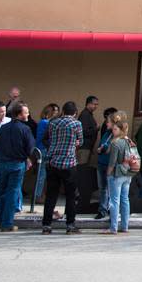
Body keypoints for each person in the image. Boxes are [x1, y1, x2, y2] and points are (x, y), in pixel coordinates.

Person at [41, 101, 83, 234]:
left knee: (51, 195)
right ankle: (70, 225)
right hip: (69, 162)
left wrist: (53, 146)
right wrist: (74, 142)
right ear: (75, 113)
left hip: (53, 161)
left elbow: (45, 139)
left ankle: (46, 225)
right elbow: (80, 141)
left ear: (63, 111)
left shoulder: (53, 122)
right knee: (71, 196)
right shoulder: (77, 123)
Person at [0, 102, 36, 231]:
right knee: (12, 192)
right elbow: (30, 148)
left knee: (0, 190)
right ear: (19, 114)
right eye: (26, 112)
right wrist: (26, 156)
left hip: (2, 162)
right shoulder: (25, 129)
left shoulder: (3, 127)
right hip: (17, 163)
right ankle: (7, 223)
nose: (28, 114)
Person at [104, 113, 136, 234]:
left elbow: (112, 162)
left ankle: (113, 228)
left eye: (116, 129)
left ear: (121, 130)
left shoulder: (115, 143)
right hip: (128, 173)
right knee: (125, 200)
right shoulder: (129, 141)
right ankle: (125, 226)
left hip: (116, 174)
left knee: (114, 201)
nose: (113, 130)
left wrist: (108, 174)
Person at [31, 102, 59, 211]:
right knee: (42, 174)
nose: (56, 113)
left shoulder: (43, 122)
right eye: (55, 111)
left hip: (40, 148)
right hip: (43, 149)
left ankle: (39, 194)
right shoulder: (46, 123)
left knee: (42, 173)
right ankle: (38, 195)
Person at [94, 107, 118, 218]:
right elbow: (102, 144)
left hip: (109, 164)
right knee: (103, 188)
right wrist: (100, 149)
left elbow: (112, 148)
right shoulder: (106, 133)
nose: (106, 123)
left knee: (111, 189)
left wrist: (103, 149)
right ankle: (102, 209)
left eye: (108, 122)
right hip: (101, 163)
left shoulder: (116, 135)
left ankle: (110, 209)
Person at [78, 96, 99, 165]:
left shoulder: (89, 114)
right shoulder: (85, 114)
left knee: (84, 167)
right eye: (94, 104)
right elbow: (83, 131)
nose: (96, 106)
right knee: (82, 168)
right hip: (84, 147)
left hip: (87, 147)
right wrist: (96, 128)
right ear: (88, 104)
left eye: (97, 104)